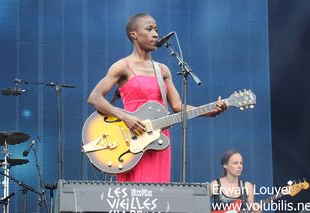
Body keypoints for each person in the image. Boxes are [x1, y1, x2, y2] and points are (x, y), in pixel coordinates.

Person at [88, 13, 228, 183]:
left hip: (157, 139)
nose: (155, 34)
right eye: (149, 29)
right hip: (131, 139)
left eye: (156, 29)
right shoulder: (122, 66)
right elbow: (95, 98)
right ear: (134, 35)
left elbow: (177, 107)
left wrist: (209, 111)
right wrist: (126, 118)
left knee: (157, 194)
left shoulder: (163, 70)